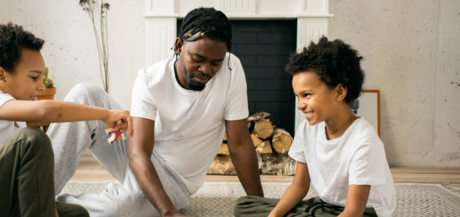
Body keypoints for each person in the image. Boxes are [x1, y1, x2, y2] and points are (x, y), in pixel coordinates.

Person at [51, 7, 264, 217]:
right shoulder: (150, 81)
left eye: (215, 63)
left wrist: (261, 206)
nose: (206, 70)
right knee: (85, 93)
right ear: (179, 46)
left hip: (176, 180)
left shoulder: (231, 69)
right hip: (139, 153)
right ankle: (33, 194)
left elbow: (239, 144)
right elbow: (138, 153)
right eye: (198, 59)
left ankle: (50, 208)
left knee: (121, 209)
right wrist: (170, 214)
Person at [0, 23, 132, 217]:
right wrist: (104, 114)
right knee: (32, 140)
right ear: (1, 76)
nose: (41, 87)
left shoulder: (10, 116)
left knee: (78, 213)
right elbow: (44, 111)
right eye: (34, 78)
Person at [234, 37, 396, 217]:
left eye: (307, 95)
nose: (300, 105)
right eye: (298, 97)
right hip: (325, 206)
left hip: (363, 212)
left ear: (339, 92)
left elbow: (353, 211)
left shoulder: (364, 141)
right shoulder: (308, 129)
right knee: (246, 205)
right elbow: (299, 185)